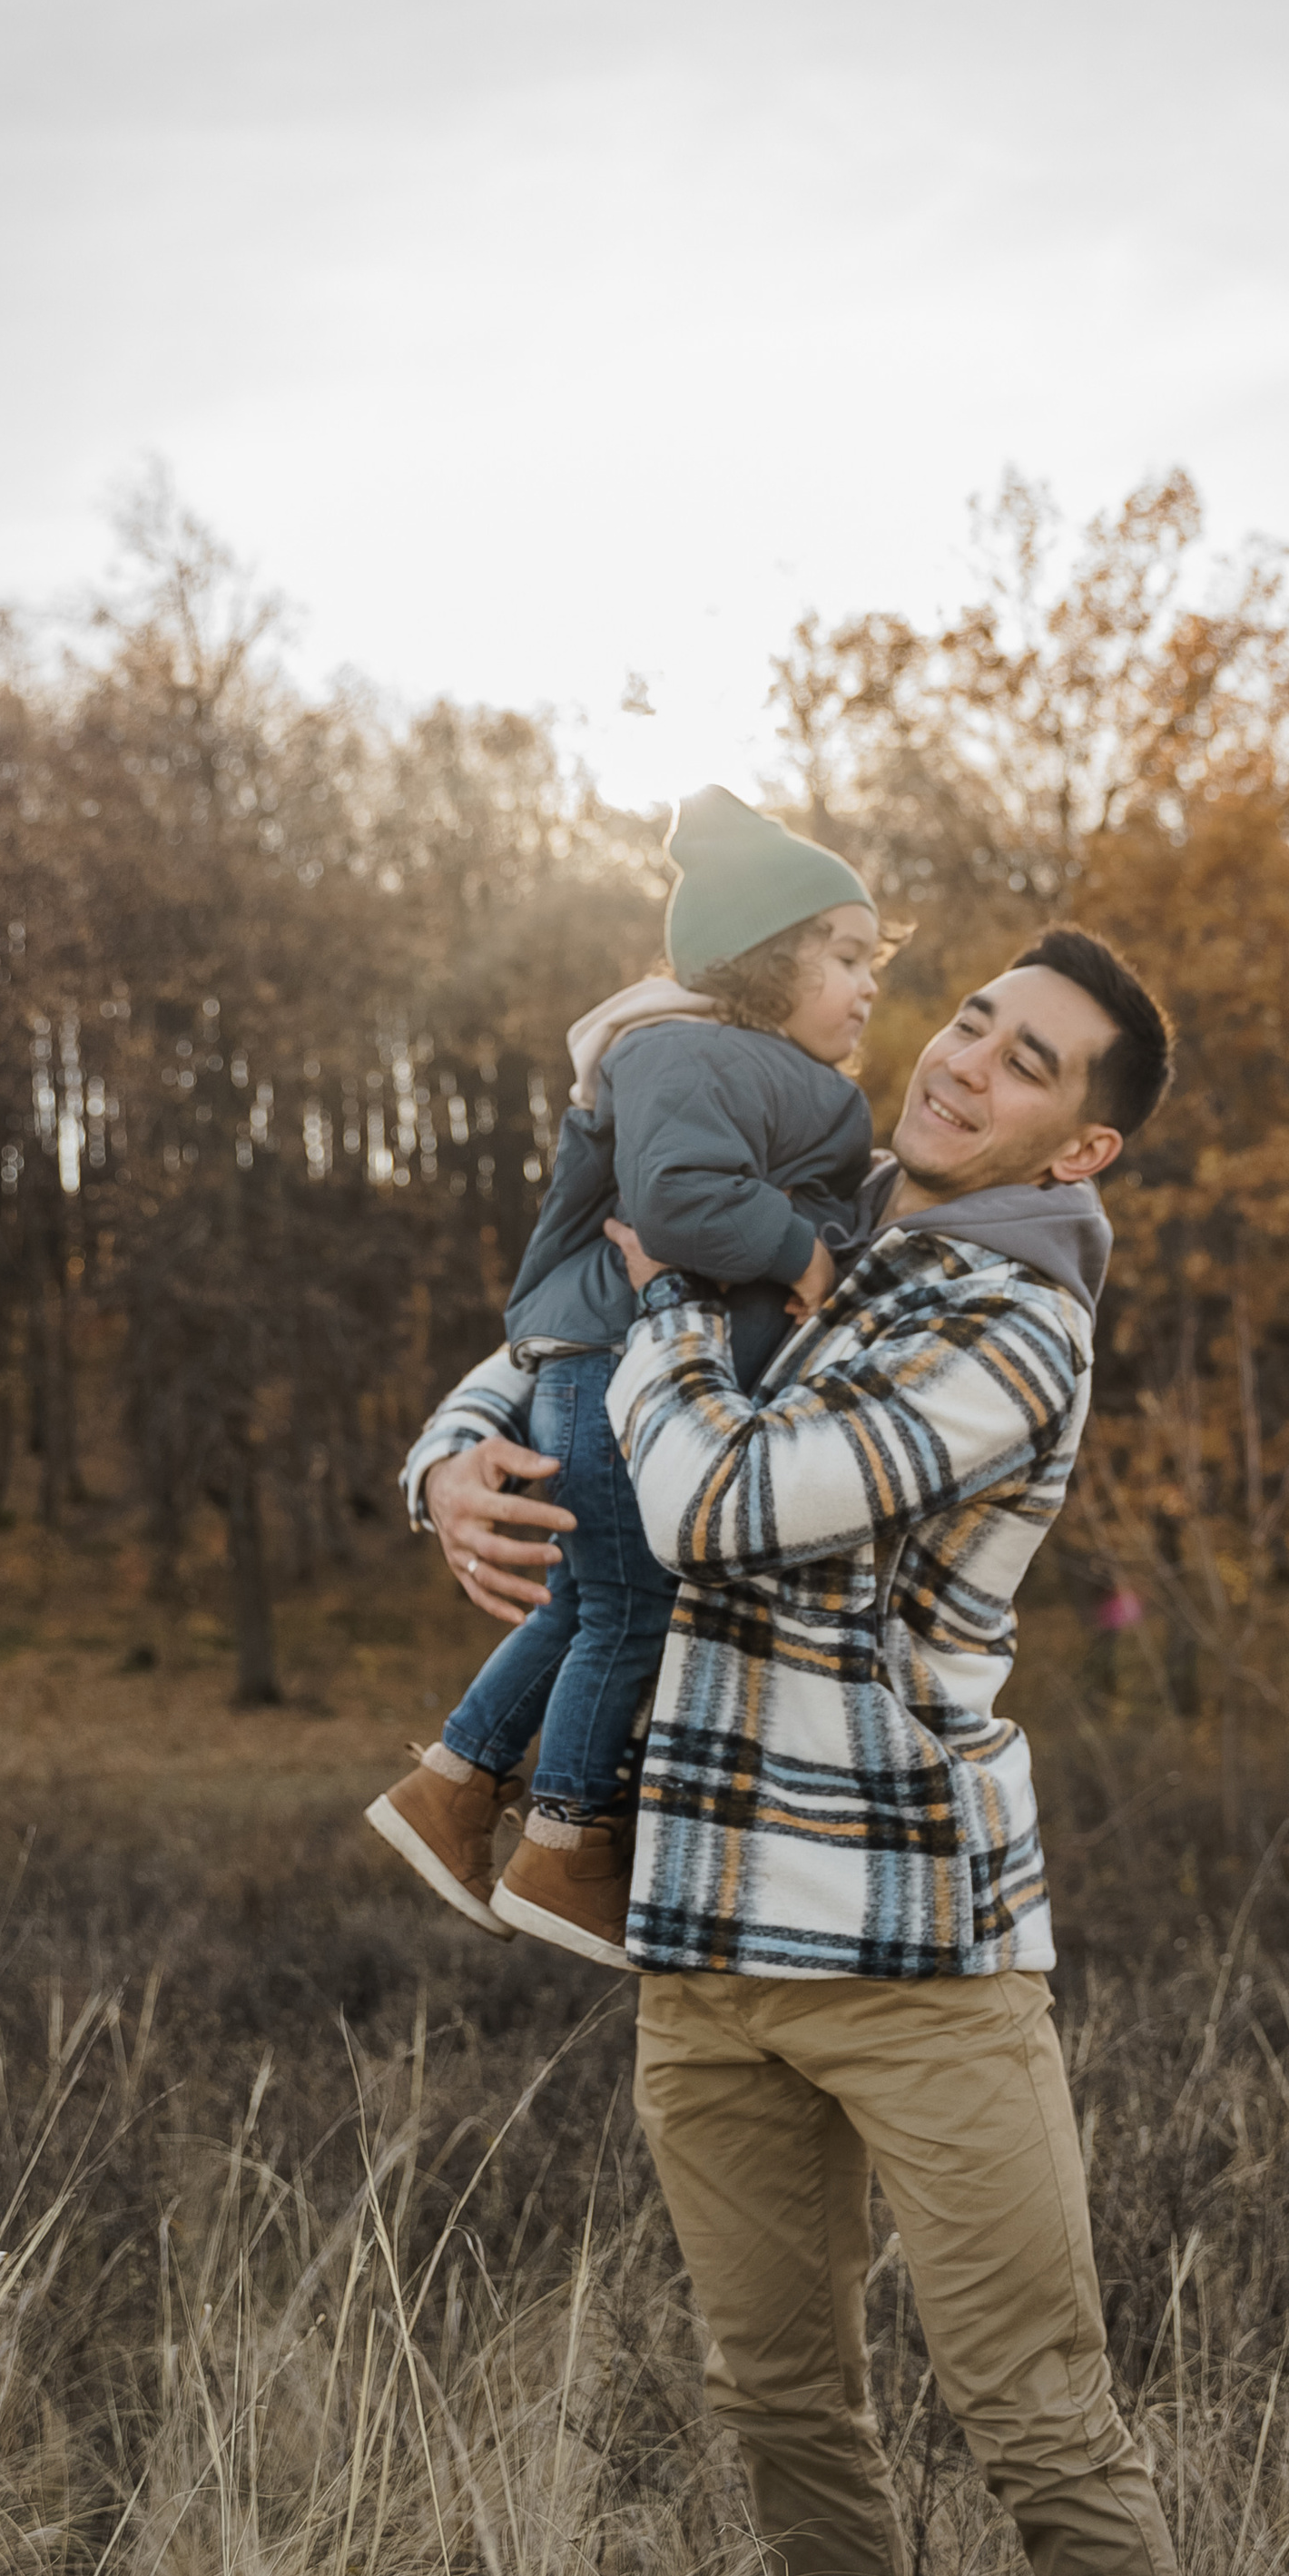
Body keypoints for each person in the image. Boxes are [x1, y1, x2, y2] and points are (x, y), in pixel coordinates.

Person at [405, 926, 1222, 2576]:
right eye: (965, 1019)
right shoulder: (796, 1204)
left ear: (1082, 1141)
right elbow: (534, 1346)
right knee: (780, 2399)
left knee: (1037, 2416)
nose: (962, 1062)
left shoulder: (1015, 1316)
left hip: (914, 1953)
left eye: (1023, 1061)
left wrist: (680, 1286)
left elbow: (722, 1501)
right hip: (694, 1926)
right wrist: (447, 1469)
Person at [369, 787, 880, 1965]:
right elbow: (680, 1202)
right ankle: (562, 1842)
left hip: (608, 1371)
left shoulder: (727, 1062)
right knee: (628, 1607)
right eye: (844, 956)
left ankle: (452, 1789)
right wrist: (801, 1249)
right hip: (605, 1370)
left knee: (587, 1604)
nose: (866, 987)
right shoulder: (684, 1050)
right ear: (762, 958)